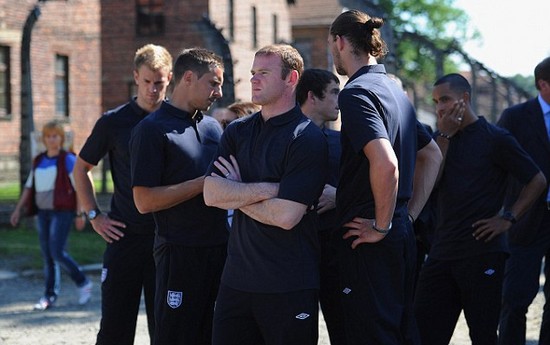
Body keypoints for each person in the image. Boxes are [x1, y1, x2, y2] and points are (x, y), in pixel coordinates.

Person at [203, 44, 328, 345]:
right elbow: (210, 194)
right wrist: (271, 189)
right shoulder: (236, 131)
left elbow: (286, 216)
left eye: (264, 73)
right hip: (236, 282)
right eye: (253, 73)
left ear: (291, 78)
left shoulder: (307, 138)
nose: (254, 80)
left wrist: (237, 191)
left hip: (288, 284)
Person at [327, 9, 439, 345]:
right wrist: (405, 217)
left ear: (341, 42)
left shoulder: (356, 92)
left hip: (370, 236)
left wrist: (381, 224)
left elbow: (386, 164)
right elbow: (432, 154)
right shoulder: (394, 89)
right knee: (401, 330)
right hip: (399, 232)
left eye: (331, 45)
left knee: (371, 333)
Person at [413, 73, 546, 345]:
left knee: (483, 335)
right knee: (423, 334)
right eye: (436, 101)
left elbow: (537, 179)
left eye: (445, 100)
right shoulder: (438, 140)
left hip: (483, 253)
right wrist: (445, 136)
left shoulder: (495, 138)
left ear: (465, 99)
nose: (439, 108)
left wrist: (508, 218)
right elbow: (429, 185)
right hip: (442, 252)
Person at [73, 44, 173, 344]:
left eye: (160, 83)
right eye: (146, 82)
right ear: (135, 77)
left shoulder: (180, 119)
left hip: (167, 239)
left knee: (167, 330)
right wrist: (94, 215)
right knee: (115, 328)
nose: (153, 90)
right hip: (124, 236)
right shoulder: (113, 122)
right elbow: (80, 169)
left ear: (170, 77)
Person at [129, 47, 228, 345]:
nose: (219, 93)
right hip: (179, 253)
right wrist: (202, 184)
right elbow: (143, 202)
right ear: (187, 78)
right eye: (213, 83)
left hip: (222, 251)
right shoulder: (151, 130)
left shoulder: (214, 128)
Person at [10, 120, 92, 310]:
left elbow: (79, 187)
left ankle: (83, 282)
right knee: (48, 255)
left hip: (62, 212)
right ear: (44, 139)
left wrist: (80, 213)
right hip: (43, 213)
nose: (52, 139)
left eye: (55, 135)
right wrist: (17, 209)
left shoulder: (68, 159)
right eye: (48, 136)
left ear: (61, 138)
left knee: (57, 251)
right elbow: (29, 187)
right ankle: (49, 296)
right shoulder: (39, 160)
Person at [497, 57, 550, 345]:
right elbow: (496, 166)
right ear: (542, 84)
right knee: (515, 298)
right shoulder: (516, 117)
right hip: (525, 220)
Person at [296, 68, 345, 345]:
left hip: (336, 254)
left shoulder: (342, 142)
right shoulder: (285, 138)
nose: (340, 99)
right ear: (312, 97)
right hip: (294, 254)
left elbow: (368, 189)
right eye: (335, 92)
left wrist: (341, 196)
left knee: (343, 329)